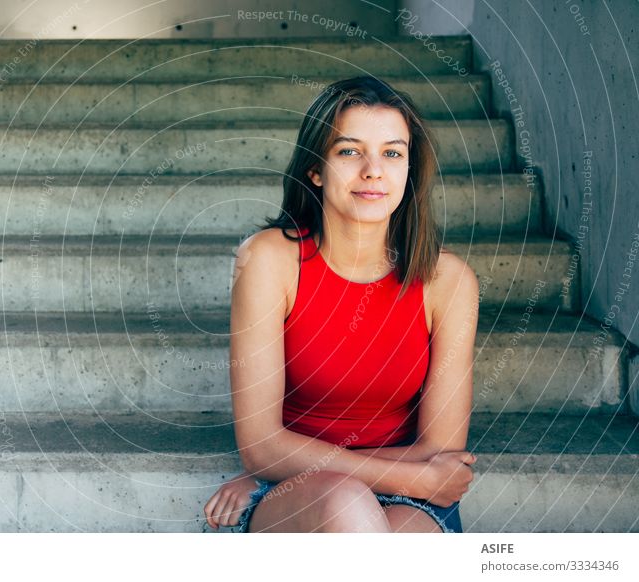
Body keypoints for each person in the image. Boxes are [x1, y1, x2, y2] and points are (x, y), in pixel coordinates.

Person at [203, 76, 479, 533]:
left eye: (393, 153)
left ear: (409, 171)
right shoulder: (270, 259)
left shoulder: (448, 280)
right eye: (349, 151)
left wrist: (284, 456)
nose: (373, 170)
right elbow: (260, 445)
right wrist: (268, 466)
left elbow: (442, 447)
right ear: (315, 168)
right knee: (348, 505)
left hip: (407, 492)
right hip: (299, 490)